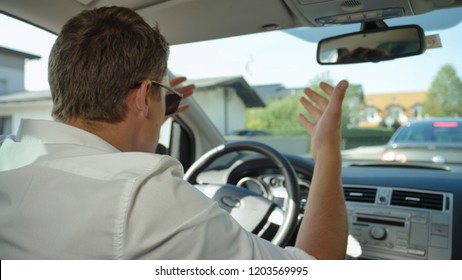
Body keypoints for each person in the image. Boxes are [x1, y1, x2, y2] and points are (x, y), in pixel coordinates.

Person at [0, 6, 348, 259]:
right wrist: (328, 154)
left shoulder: (8, 157)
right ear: (140, 97)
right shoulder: (146, 198)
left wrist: (150, 112)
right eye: (161, 96)